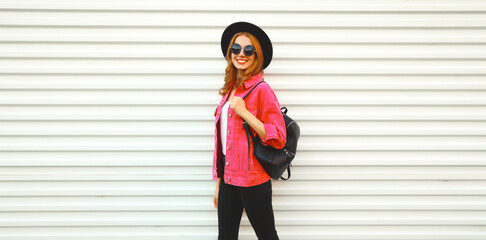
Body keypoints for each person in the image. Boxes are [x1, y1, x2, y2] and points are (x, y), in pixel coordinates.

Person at [212, 21, 287, 240]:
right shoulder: (230, 90)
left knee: (266, 236)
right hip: (228, 180)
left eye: (248, 49)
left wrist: (245, 113)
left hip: (253, 180)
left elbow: (279, 138)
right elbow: (222, 143)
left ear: (257, 55)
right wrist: (219, 183)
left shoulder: (261, 90)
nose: (241, 54)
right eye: (236, 49)